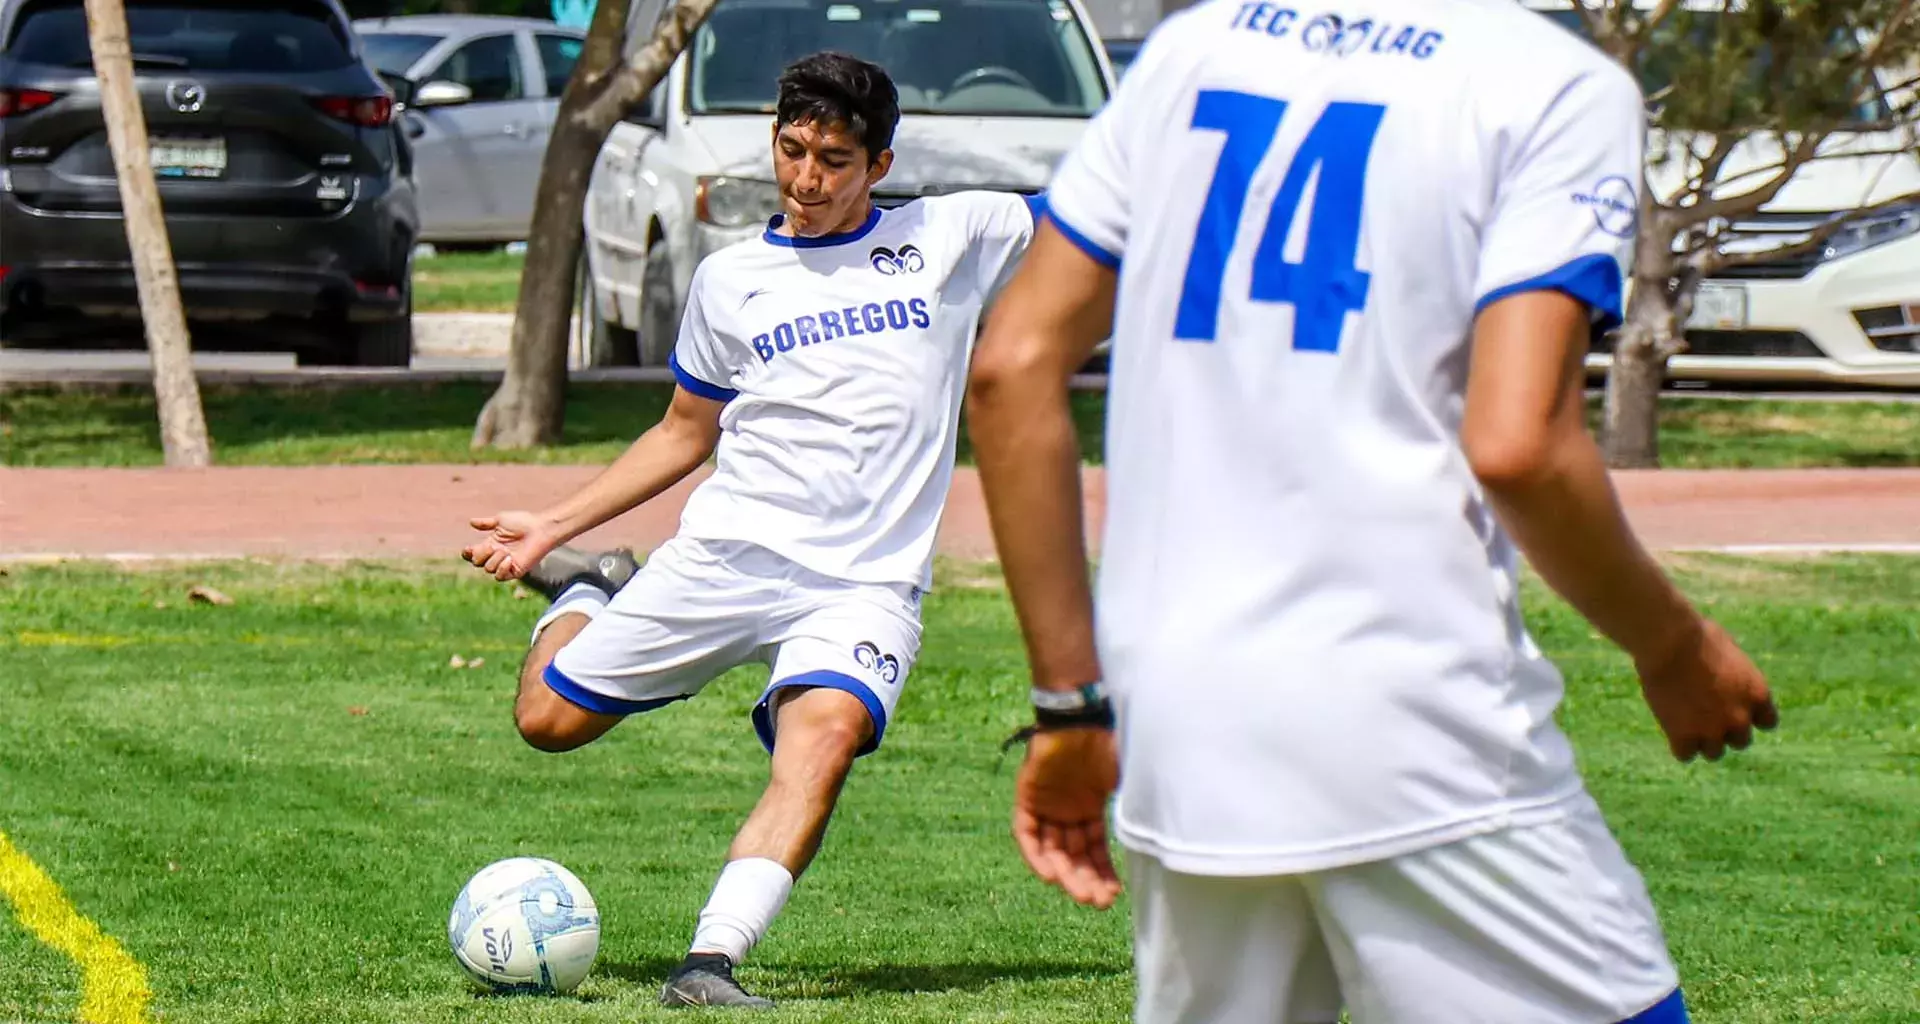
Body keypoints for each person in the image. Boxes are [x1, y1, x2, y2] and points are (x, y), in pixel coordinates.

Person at [964, 2, 1780, 1022]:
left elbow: (1011, 365)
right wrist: (1675, 648)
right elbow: (1520, 444)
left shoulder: (1192, 47)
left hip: (1182, 719)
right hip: (1413, 726)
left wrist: (1069, 703)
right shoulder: (1553, 84)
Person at [461, 51, 1041, 1009]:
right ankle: (590, 585)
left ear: (880, 166)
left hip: (863, 584)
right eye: (793, 149)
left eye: (835, 160)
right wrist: (549, 527)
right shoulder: (733, 281)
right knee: (547, 722)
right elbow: (684, 432)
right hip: (727, 556)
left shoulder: (957, 233)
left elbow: (1112, 213)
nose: (807, 178)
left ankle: (710, 962)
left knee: (824, 739)